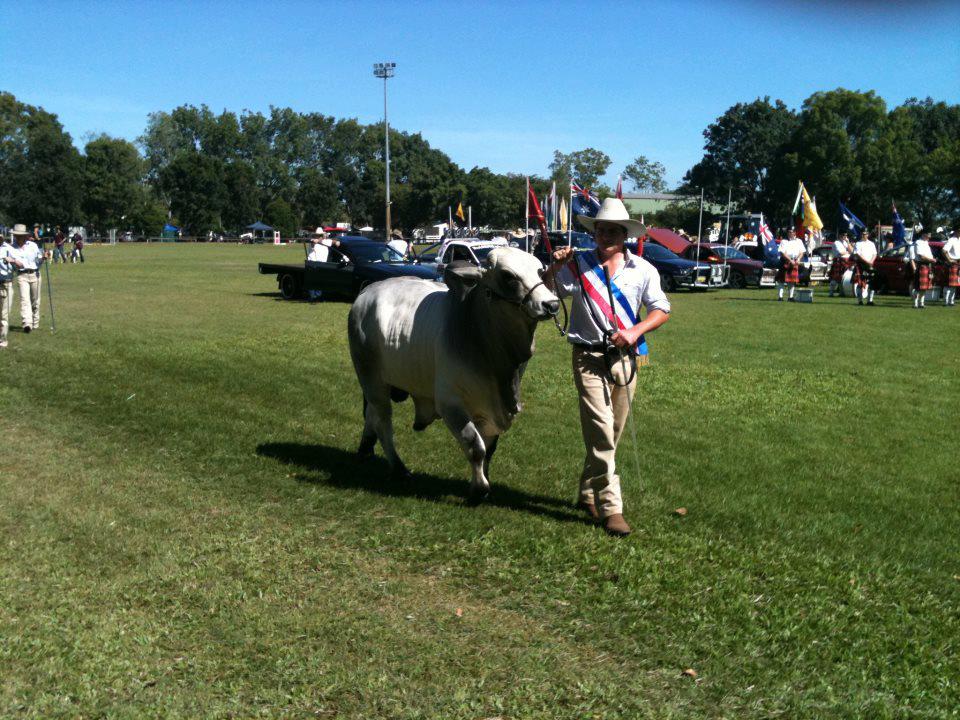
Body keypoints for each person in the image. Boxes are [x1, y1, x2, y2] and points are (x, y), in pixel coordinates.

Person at [544, 198, 671, 537]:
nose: (605, 236)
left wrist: (634, 331)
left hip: (627, 358)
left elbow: (661, 309)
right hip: (587, 356)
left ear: (625, 234)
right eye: (600, 230)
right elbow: (550, 294)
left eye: (612, 231)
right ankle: (612, 508)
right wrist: (554, 267)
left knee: (611, 432)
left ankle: (587, 492)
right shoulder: (578, 264)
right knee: (600, 429)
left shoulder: (643, 270)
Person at [9, 224, 45, 332]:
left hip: (35, 274)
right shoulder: (11, 248)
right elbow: (7, 259)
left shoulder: (33, 245)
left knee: (35, 301)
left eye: (21, 235)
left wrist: (43, 258)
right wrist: (14, 261)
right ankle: (27, 324)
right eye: (17, 235)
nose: (19, 237)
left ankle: (35, 323)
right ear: (15, 236)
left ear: (25, 236)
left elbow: (39, 260)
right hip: (22, 276)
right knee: (25, 300)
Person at [906, 231, 937, 309]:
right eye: (928, 235)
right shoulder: (917, 243)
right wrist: (914, 268)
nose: (929, 237)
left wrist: (932, 260)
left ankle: (921, 303)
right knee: (917, 287)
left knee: (924, 287)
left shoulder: (926, 243)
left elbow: (928, 255)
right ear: (924, 235)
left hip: (927, 265)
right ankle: (915, 303)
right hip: (920, 265)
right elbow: (919, 257)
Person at [776, 228, 805, 301]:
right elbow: (782, 253)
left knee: (792, 280)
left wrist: (798, 259)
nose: (790, 233)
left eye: (792, 232)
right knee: (781, 280)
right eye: (789, 232)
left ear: (795, 233)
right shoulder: (784, 241)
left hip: (795, 261)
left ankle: (790, 297)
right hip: (785, 261)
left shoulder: (799, 241)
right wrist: (790, 260)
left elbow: (802, 252)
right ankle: (780, 297)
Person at [851, 231, 878, 306]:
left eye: (865, 234)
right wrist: (867, 261)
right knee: (860, 283)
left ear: (868, 234)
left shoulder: (871, 243)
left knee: (872, 283)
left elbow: (874, 253)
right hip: (861, 265)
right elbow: (858, 254)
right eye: (863, 234)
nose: (864, 235)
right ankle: (860, 301)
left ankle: (870, 301)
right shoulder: (858, 243)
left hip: (870, 264)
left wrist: (871, 261)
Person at [0, 232, 16, 347]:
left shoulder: (9, 249)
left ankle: (3, 339)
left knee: (5, 314)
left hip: (7, 283)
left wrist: (12, 261)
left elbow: (19, 265)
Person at [829, 232, 854, 297]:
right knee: (836, 278)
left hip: (847, 261)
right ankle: (831, 293)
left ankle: (841, 293)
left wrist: (848, 242)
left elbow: (852, 251)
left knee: (843, 278)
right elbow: (841, 253)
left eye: (846, 235)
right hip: (839, 260)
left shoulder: (845, 242)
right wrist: (848, 251)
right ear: (840, 235)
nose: (845, 236)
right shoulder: (836, 243)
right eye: (844, 235)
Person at [940, 227, 959, 307]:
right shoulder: (951, 240)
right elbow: (944, 251)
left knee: (955, 284)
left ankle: (951, 301)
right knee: (949, 284)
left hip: (958, 263)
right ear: (956, 231)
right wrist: (949, 260)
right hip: (953, 263)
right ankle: (946, 302)